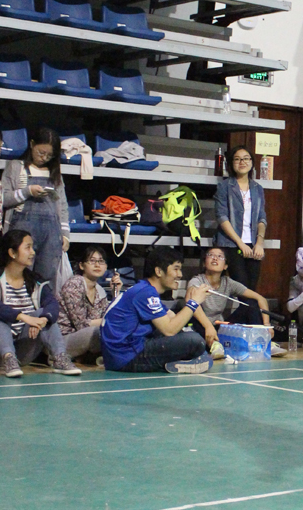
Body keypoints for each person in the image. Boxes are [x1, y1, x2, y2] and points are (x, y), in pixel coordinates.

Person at [101, 245, 216, 374]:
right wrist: (194, 302)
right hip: (127, 357)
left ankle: (189, 360)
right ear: (159, 271)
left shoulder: (144, 288)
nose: (180, 275)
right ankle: (189, 360)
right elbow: (169, 330)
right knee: (195, 341)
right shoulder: (146, 293)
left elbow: (172, 318)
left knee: (184, 335)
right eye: (176, 269)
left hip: (118, 356)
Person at [0, 229, 81, 378]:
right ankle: (8, 358)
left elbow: (52, 304)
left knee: (44, 315)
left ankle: (60, 358)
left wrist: (42, 319)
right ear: (12, 253)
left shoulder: (35, 281)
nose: (33, 252)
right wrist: (24, 317)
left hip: (23, 351)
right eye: (27, 247)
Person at [187, 245, 286, 357]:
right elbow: (189, 301)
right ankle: (214, 345)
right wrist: (208, 326)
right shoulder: (197, 281)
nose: (215, 258)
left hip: (220, 326)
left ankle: (265, 342)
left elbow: (261, 299)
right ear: (205, 263)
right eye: (211, 255)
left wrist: (266, 326)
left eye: (220, 256)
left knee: (251, 305)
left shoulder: (228, 283)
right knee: (192, 313)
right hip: (202, 327)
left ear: (225, 266)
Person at [1, 127, 69, 285]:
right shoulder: (15, 167)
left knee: (46, 277)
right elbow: (3, 198)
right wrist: (27, 192)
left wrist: (65, 234)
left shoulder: (55, 173)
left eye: (49, 155)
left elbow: (62, 206)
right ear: (32, 144)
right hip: (22, 230)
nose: (44, 158)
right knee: (20, 275)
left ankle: (41, 301)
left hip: (51, 235)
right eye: (41, 153)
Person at [214, 145, 268, 290]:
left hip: (253, 244)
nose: (242, 162)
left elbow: (262, 218)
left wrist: (259, 243)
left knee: (252, 288)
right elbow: (222, 217)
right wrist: (240, 243)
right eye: (237, 159)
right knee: (242, 288)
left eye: (246, 158)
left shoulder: (257, 188)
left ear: (251, 162)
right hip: (231, 244)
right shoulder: (224, 186)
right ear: (231, 163)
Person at [57, 246, 123, 361]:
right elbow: (81, 325)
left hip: (86, 337)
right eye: (92, 261)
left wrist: (115, 293)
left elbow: (108, 316)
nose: (97, 265)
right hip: (64, 339)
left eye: (101, 261)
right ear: (81, 265)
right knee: (101, 332)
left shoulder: (100, 291)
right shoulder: (74, 285)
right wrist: (108, 321)